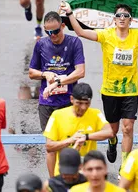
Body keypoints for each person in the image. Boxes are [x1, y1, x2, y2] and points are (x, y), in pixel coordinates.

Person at [60, 2, 138, 167]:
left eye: (125, 16)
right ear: (114, 20)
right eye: (119, 16)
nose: (122, 18)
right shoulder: (106, 35)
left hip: (130, 90)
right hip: (110, 91)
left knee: (128, 128)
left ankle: (126, 165)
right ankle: (112, 141)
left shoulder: (137, 36)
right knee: (113, 130)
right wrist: (70, 13)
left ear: (131, 20)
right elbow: (80, 32)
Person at [29, 11, 85, 176]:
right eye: (48, 32)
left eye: (55, 31)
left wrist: (60, 81)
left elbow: (80, 72)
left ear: (63, 26)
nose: (52, 35)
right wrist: (44, 74)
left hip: (69, 101)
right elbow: (32, 72)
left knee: (70, 143)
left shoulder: (74, 42)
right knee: (51, 146)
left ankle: (71, 177)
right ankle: (54, 181)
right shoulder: (41, 44)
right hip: (47, 103)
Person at [43, 83, 114, 176]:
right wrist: (70, 140)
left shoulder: (96, 114)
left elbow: (109, 132)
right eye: (79, 103)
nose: (83, 107)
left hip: (88, 173)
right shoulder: (57, 115)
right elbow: (49, 146)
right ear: (72, 99)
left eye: (87, 103)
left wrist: (86, 137)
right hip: (64, 172)